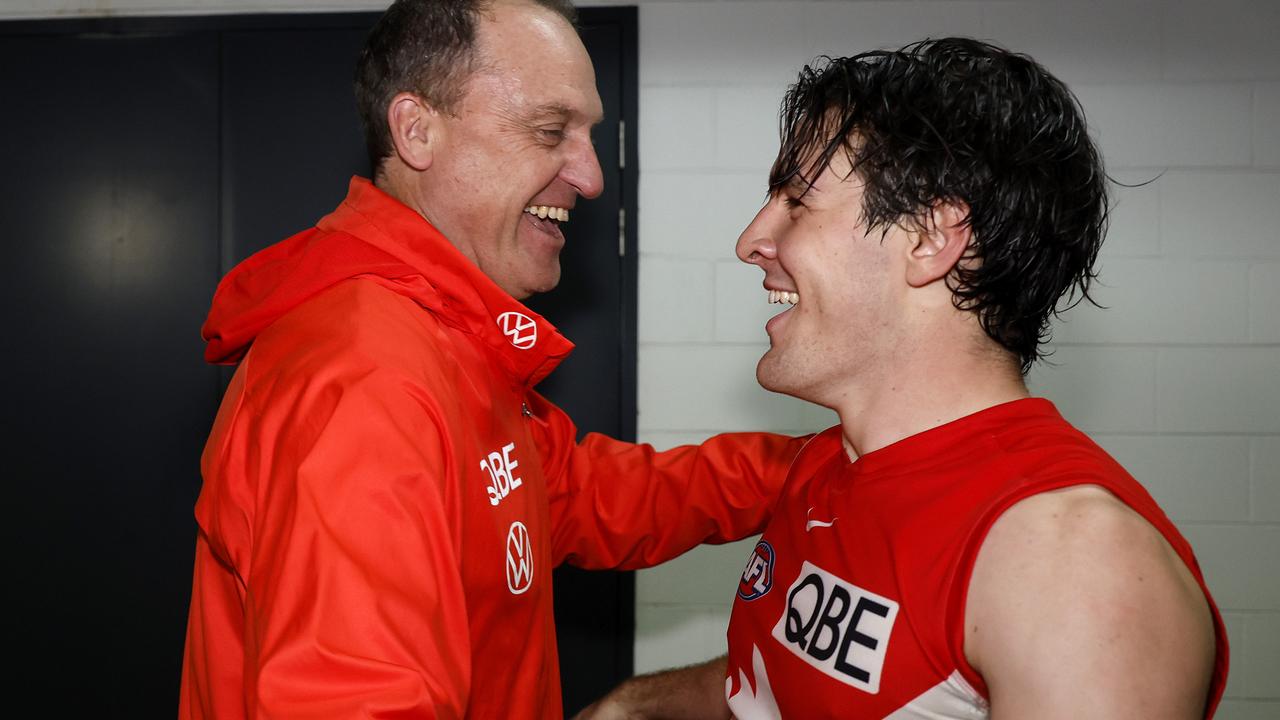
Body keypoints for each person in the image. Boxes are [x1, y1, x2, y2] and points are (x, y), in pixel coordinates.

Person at [178, 1, 806, 717]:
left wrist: (819, 466)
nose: (592, 176)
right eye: (550, 131)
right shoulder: (365, 378)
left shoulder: (444, 340)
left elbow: (586, 495)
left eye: (588, 135)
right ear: (418, 131)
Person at [578, 38, 1228, 719]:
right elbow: (791, 681)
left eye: (797, 202)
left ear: (930, 238)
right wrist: (636, 704)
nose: (751, 241)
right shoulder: (828, 464)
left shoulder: (1078, 565)